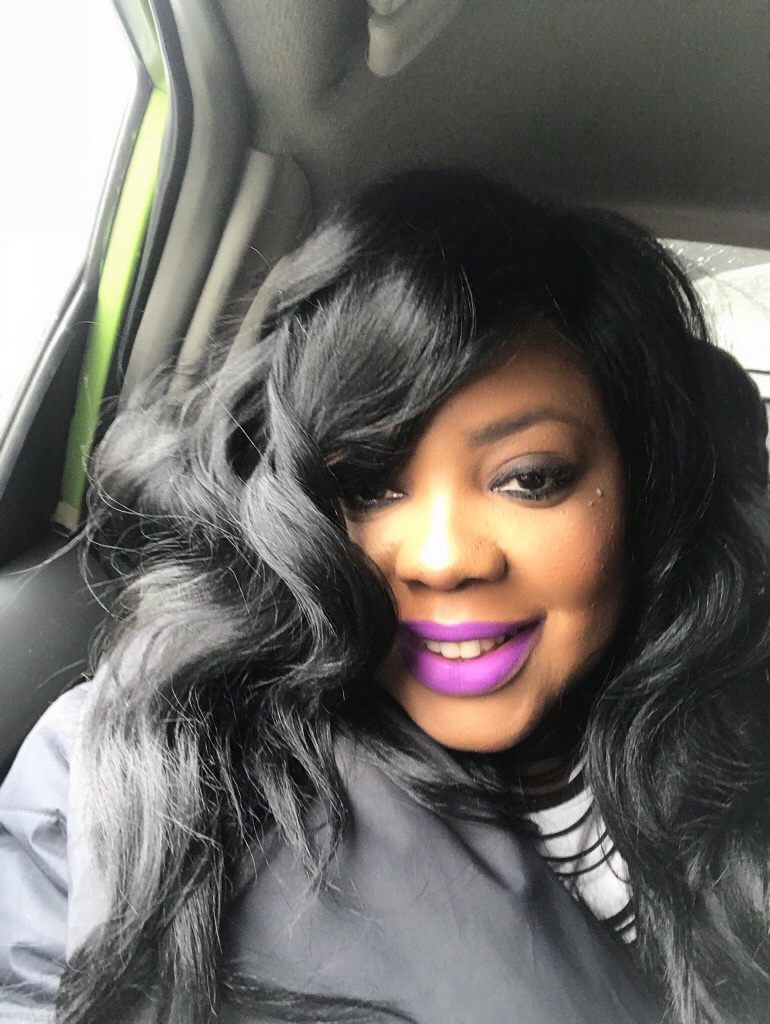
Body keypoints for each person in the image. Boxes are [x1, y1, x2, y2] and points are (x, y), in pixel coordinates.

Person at [1, 170, 768, 1024]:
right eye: (366, 486)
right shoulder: (132, 771)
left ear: (639, 492)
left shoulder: (745, 747)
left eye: (529, 478)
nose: (442, 560)